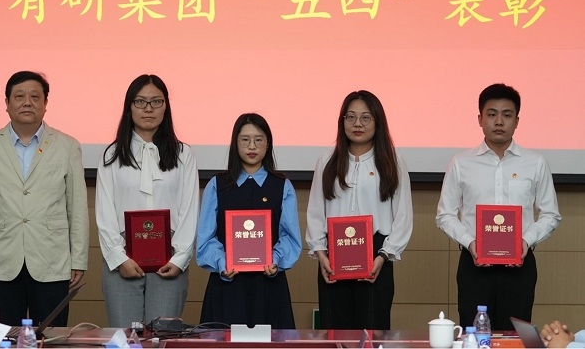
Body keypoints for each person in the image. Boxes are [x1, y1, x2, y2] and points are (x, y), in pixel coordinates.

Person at [0, 71, 89, 326]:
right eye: (19, 96)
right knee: (5, 337)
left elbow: (77, 208)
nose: (27, 102)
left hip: (52, 259)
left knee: (52, 337)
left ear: (45, 103)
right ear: (7, 103)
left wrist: (78, 259)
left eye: (35, 97)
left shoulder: (67, 146)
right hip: (2, 259)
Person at [436, 83, 561, 330]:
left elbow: (550, 214)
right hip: (474, 265)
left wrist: (525, 241)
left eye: (507, 115)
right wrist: (471, 242)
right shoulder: (461, 163)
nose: (499, 121)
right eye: (492, 114)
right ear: (480, 119)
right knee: (474, 335)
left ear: (517, 121)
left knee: (515, 337)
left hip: (519, 266)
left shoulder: (535, 162)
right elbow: (445, 215)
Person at [95, 74, 199, 328]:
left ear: (166, 106)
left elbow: (189, 210)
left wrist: (179, 258)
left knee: (162, 338)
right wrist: (119, 258)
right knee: (125, 339)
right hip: (123, 256)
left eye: (156, 101)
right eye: (140, 102)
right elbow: (104, 211)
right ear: (129, 107)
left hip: (169, 259)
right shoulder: (111, 155)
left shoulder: (184, 154)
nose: (148, 109)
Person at [305, 90, 413, 330]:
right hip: (333, 256)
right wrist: (321, 254)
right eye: (350, 117)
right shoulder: (327, 160)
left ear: (377, 121)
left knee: (372, 332)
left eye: (365, 118)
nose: (357, 124)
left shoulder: (393, 161)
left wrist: (383, 256)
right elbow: (315, 211)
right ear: (342, 121)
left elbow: (403, 216)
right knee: (335, 333)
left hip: (376, 256)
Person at [196, 113, 301, 328]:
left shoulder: (282, 185)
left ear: (268, 143)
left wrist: (275, 259)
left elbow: (290, 237)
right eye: (245, 139)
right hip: (227, 285)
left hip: (269, 286)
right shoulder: (217, 184)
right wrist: (223, 263)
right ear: (235, 143)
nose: (252, 146)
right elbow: (205, 238)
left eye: (258, 139)